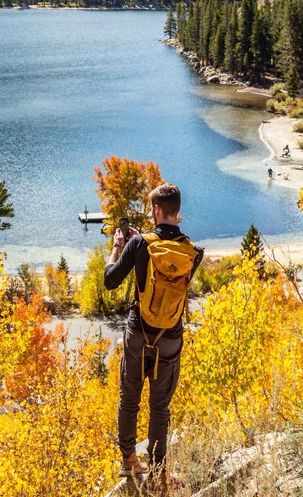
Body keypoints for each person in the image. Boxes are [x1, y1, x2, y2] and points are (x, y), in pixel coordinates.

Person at [104, 183, 203, 491]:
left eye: (151, 208)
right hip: (170, 338)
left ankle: (130, 461)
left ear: (157, 210)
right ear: (178, 211)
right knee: (160, 407)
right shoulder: (193, 253)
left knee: (129, 399)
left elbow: (110, 281)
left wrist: (118, 248)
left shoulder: (139, 245)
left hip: (138, 334)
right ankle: (159, 472)